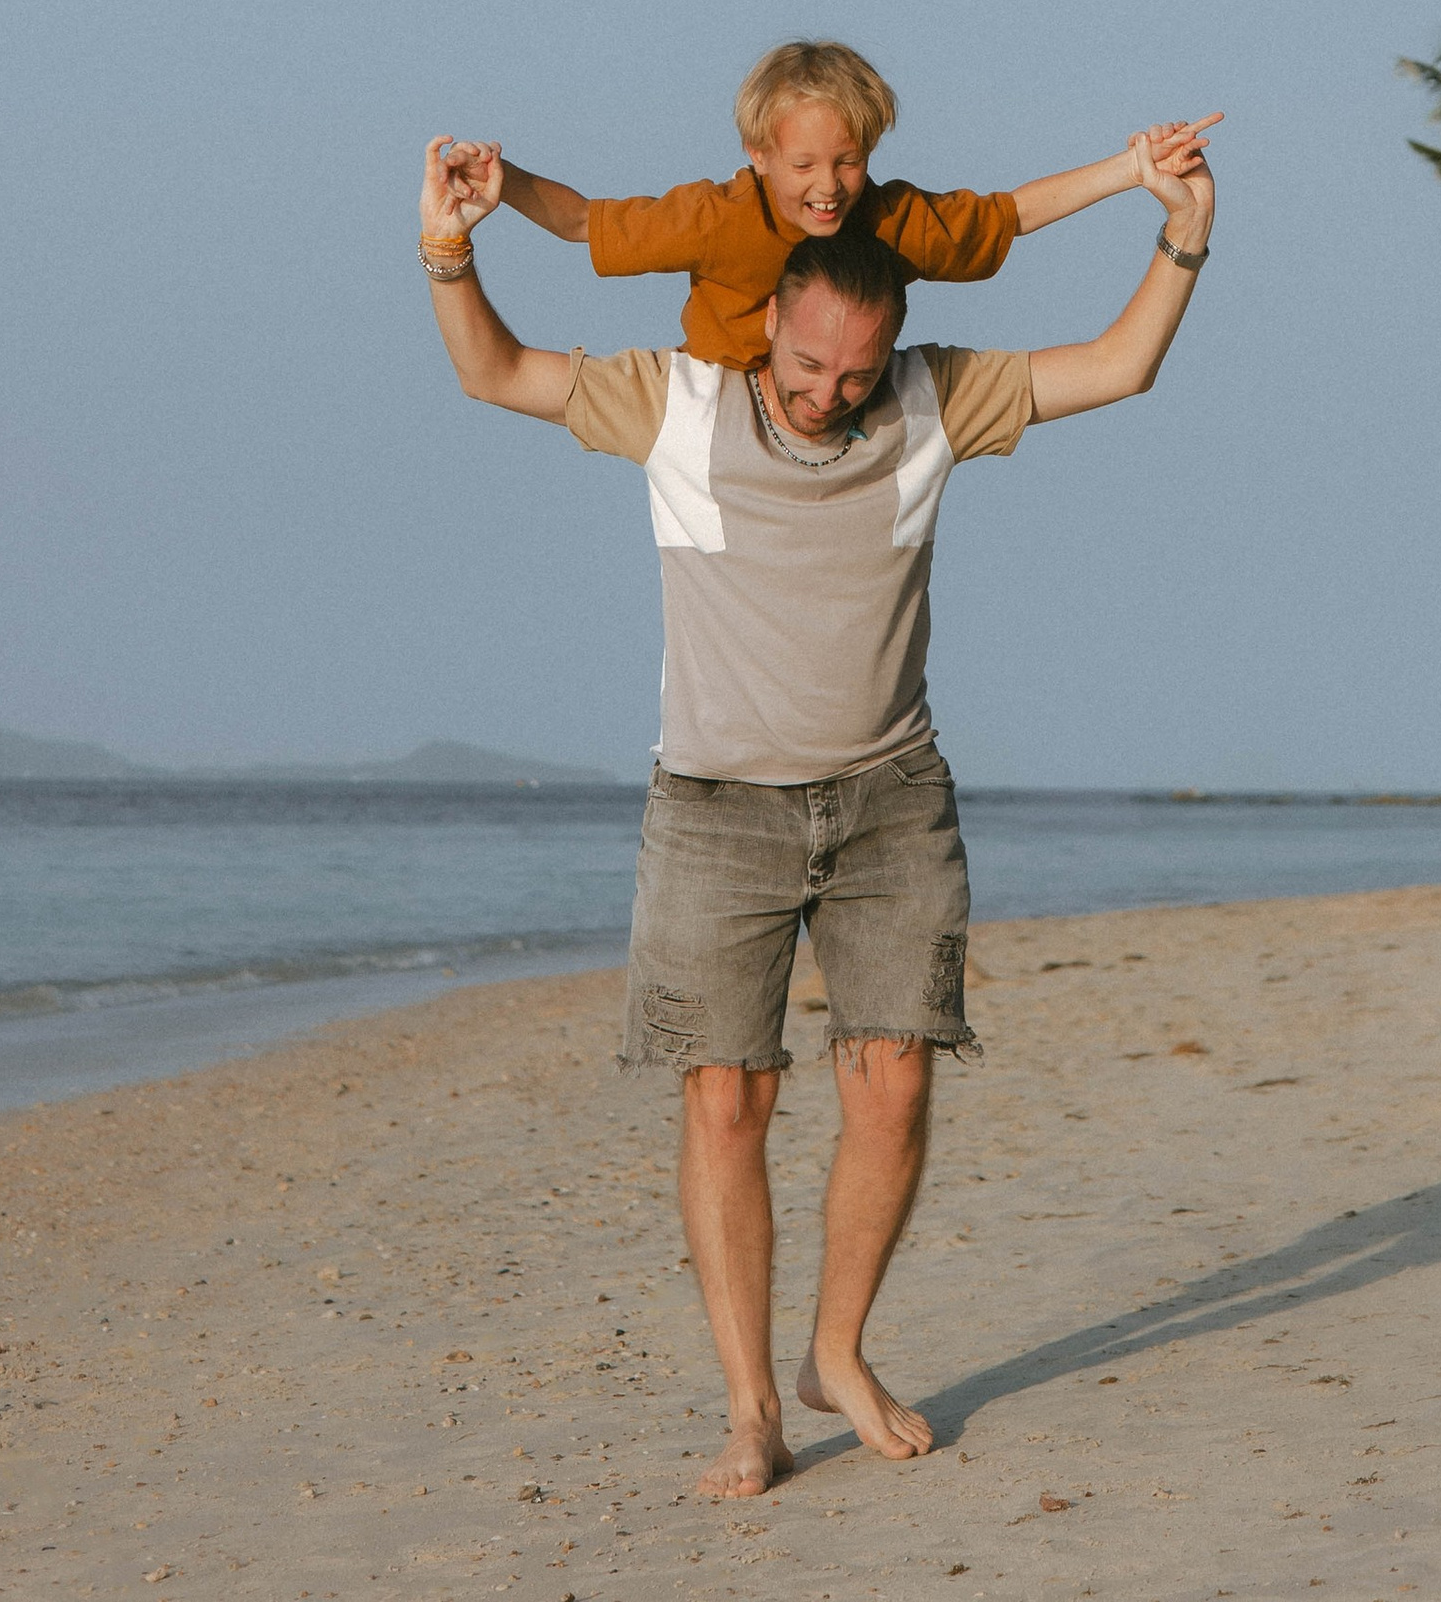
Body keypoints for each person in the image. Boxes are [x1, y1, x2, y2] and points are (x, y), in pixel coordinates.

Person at [416, 114, 1218, 1498]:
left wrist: (1182, 230)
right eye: (802, 364)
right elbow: (494, 371)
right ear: (763, 325)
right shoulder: (676, 404)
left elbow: (1124, 363)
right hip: (717, 811)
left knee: (893, 1085)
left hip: (892, 802)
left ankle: (835, 1352)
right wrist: (448, 251)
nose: (823, 394)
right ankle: (750, 1410)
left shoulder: (934, 401)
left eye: (853, 372)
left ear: (891, 346)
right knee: (726, 1096)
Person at [430, 33, 1216, 367]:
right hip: (722, 398)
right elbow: (582, 221)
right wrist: (508, 184)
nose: (829, 185)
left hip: (832, 405)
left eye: (848, 160)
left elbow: (1008, 215)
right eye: (804, 163)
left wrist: (1129, 168)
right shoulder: (717, 216)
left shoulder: (891, 217)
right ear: (758, 153)